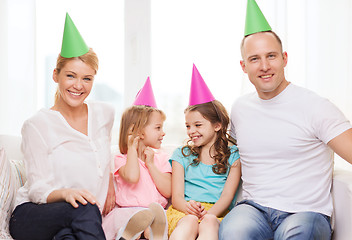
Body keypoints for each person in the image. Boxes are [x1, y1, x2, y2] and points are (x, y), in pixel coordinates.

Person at [219, 0, 352, 239]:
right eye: (255, 59)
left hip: (306, 212)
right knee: (233, 232)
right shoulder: (240, 108)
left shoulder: (316, 106)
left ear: (284, 58)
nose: (265, 66)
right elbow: (230, 156)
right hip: (253, 209)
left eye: (271, 56)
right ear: (243, 65)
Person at [9, 13, 116, 240]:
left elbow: (103, 157)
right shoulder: (37, 125)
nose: (78, 85)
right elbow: (37, 190)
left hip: (79, 219)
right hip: (32, 214)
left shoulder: (105, 114)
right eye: (71, 76)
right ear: (56, 75)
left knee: (70, 235)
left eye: (87, 78)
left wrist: (111, 187)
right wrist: (67, 193)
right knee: (86, 208)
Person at [167, 65, 241, 240]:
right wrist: (190, 209)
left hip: (217, 212)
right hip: (185, 211)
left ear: (217, 125)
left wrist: (207, 215)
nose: (191, 130)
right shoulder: (181, 155)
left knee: (208, 222)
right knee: (190, 221)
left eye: (198, 125)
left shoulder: (233, 155)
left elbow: (227, 197)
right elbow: (176, 198)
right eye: (188, 126)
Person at [102, 77, 171, 240]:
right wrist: (132, 147)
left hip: (156, 214)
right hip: (128, 212)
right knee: (134, 223)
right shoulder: (121, 158)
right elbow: (132, 177)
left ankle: (152, 234)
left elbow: (168, 191)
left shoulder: (162, 158)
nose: (163, 133)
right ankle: (128, 233)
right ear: (139, 131)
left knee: (153, 223)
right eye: (158, 128)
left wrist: (151, 165)